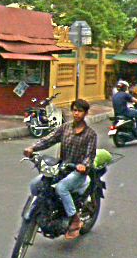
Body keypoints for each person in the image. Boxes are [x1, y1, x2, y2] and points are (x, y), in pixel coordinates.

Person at [24, 98, 97, 240]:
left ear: (85, 113)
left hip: (78, 171)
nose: (76, 113)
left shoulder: (90, 134)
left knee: (61, 188)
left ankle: (75, 220)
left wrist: (84, 165)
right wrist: (33, 148)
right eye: (74, 110)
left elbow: (90, 155)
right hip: (62, 167)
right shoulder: (65, 128)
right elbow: (49, 139)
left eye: (80, 111)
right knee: (35, 184)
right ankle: (42, 211)